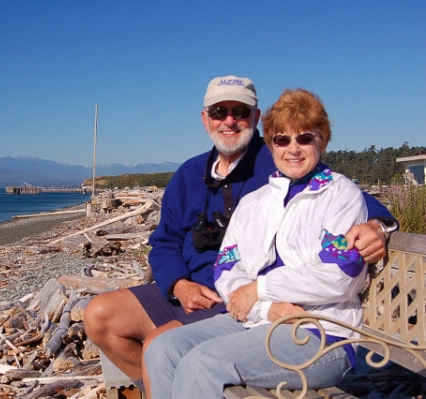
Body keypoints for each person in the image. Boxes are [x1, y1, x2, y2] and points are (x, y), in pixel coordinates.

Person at [83, 76, 396, 391]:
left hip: (278, 315)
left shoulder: (281, 167)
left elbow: (347, 201)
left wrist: (379, 224)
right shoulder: (201, 177)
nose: (230, 120)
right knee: (125, 330)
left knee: (172, 351)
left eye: (240, 111)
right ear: (206, 119)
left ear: (256, 119)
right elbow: (171, 244)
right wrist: (178, 284)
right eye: (220, 111)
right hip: (218, 297)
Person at [143, 88, 375, 398]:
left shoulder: (341, 196)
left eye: (305, 138)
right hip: (257, 322)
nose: (293, 149)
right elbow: (227, 268)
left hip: (322, 334)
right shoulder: (255, 202)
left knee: (203, 363)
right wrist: (265, 308)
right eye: (282, 140)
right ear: (270, 144)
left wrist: (260, 289)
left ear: (322, 140)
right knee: (163, 349)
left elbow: (340, 277)